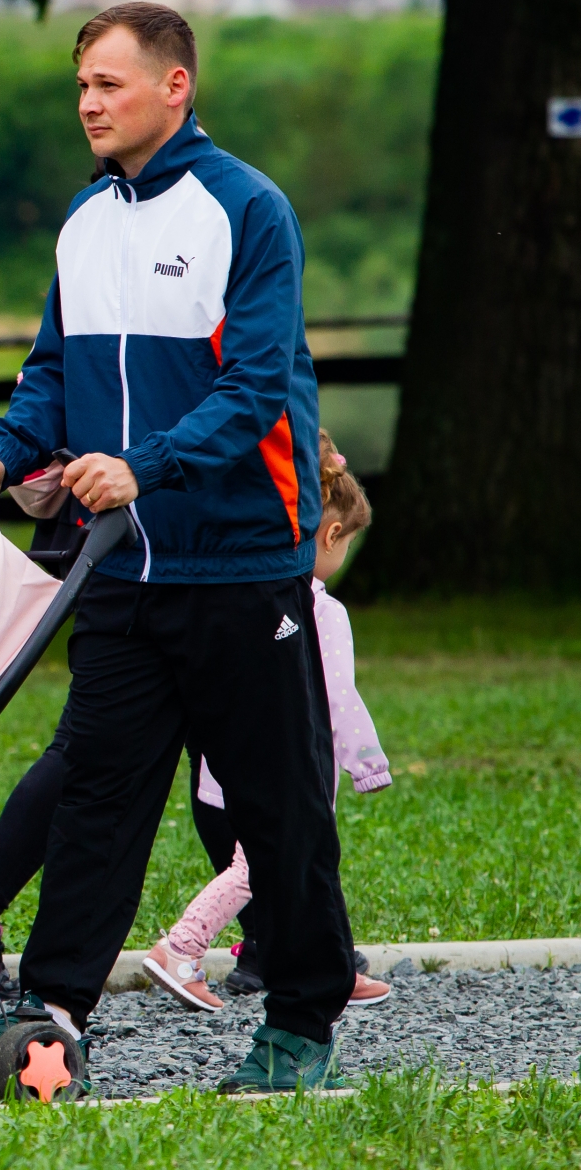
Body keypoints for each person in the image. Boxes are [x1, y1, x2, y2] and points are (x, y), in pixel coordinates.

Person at [0, 2, 357, 1094]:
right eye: (79, 85)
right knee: (98, 795)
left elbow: (254, 385)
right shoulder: (84, 221)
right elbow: (48, 373)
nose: (87, 103)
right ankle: (50, 1015)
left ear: (174, 86)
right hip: (117, 567)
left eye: (108, 85)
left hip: (239, 563)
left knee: (275, 809)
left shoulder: (245, 209)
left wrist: (146, 466)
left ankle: (300, 1027)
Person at [143, 433, 394, 1012]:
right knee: (259, 868)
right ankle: (179, 949)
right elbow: (338, 696)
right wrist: (367, 763)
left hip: (225, 766)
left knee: (306, 867)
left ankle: (332, 961)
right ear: (332, 535)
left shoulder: (245, 595)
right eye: (349, 543)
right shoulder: (322, 611)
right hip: (291, 766)